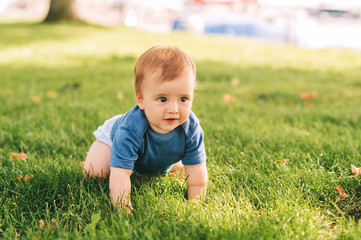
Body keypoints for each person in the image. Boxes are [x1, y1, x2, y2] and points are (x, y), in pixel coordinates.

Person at [83, 46, 208, 211]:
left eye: (183, 99)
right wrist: (123, 208)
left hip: (153, 152)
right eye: (162, 99)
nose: (174, 109)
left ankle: (149, 171)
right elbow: (120, 172)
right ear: (141, 99)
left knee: (180, 171)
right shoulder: (130, 129)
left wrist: (195, 204)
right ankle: (114, 163)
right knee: (96, 174)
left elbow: (197, 168)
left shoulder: (190, 128)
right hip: (113, 139)